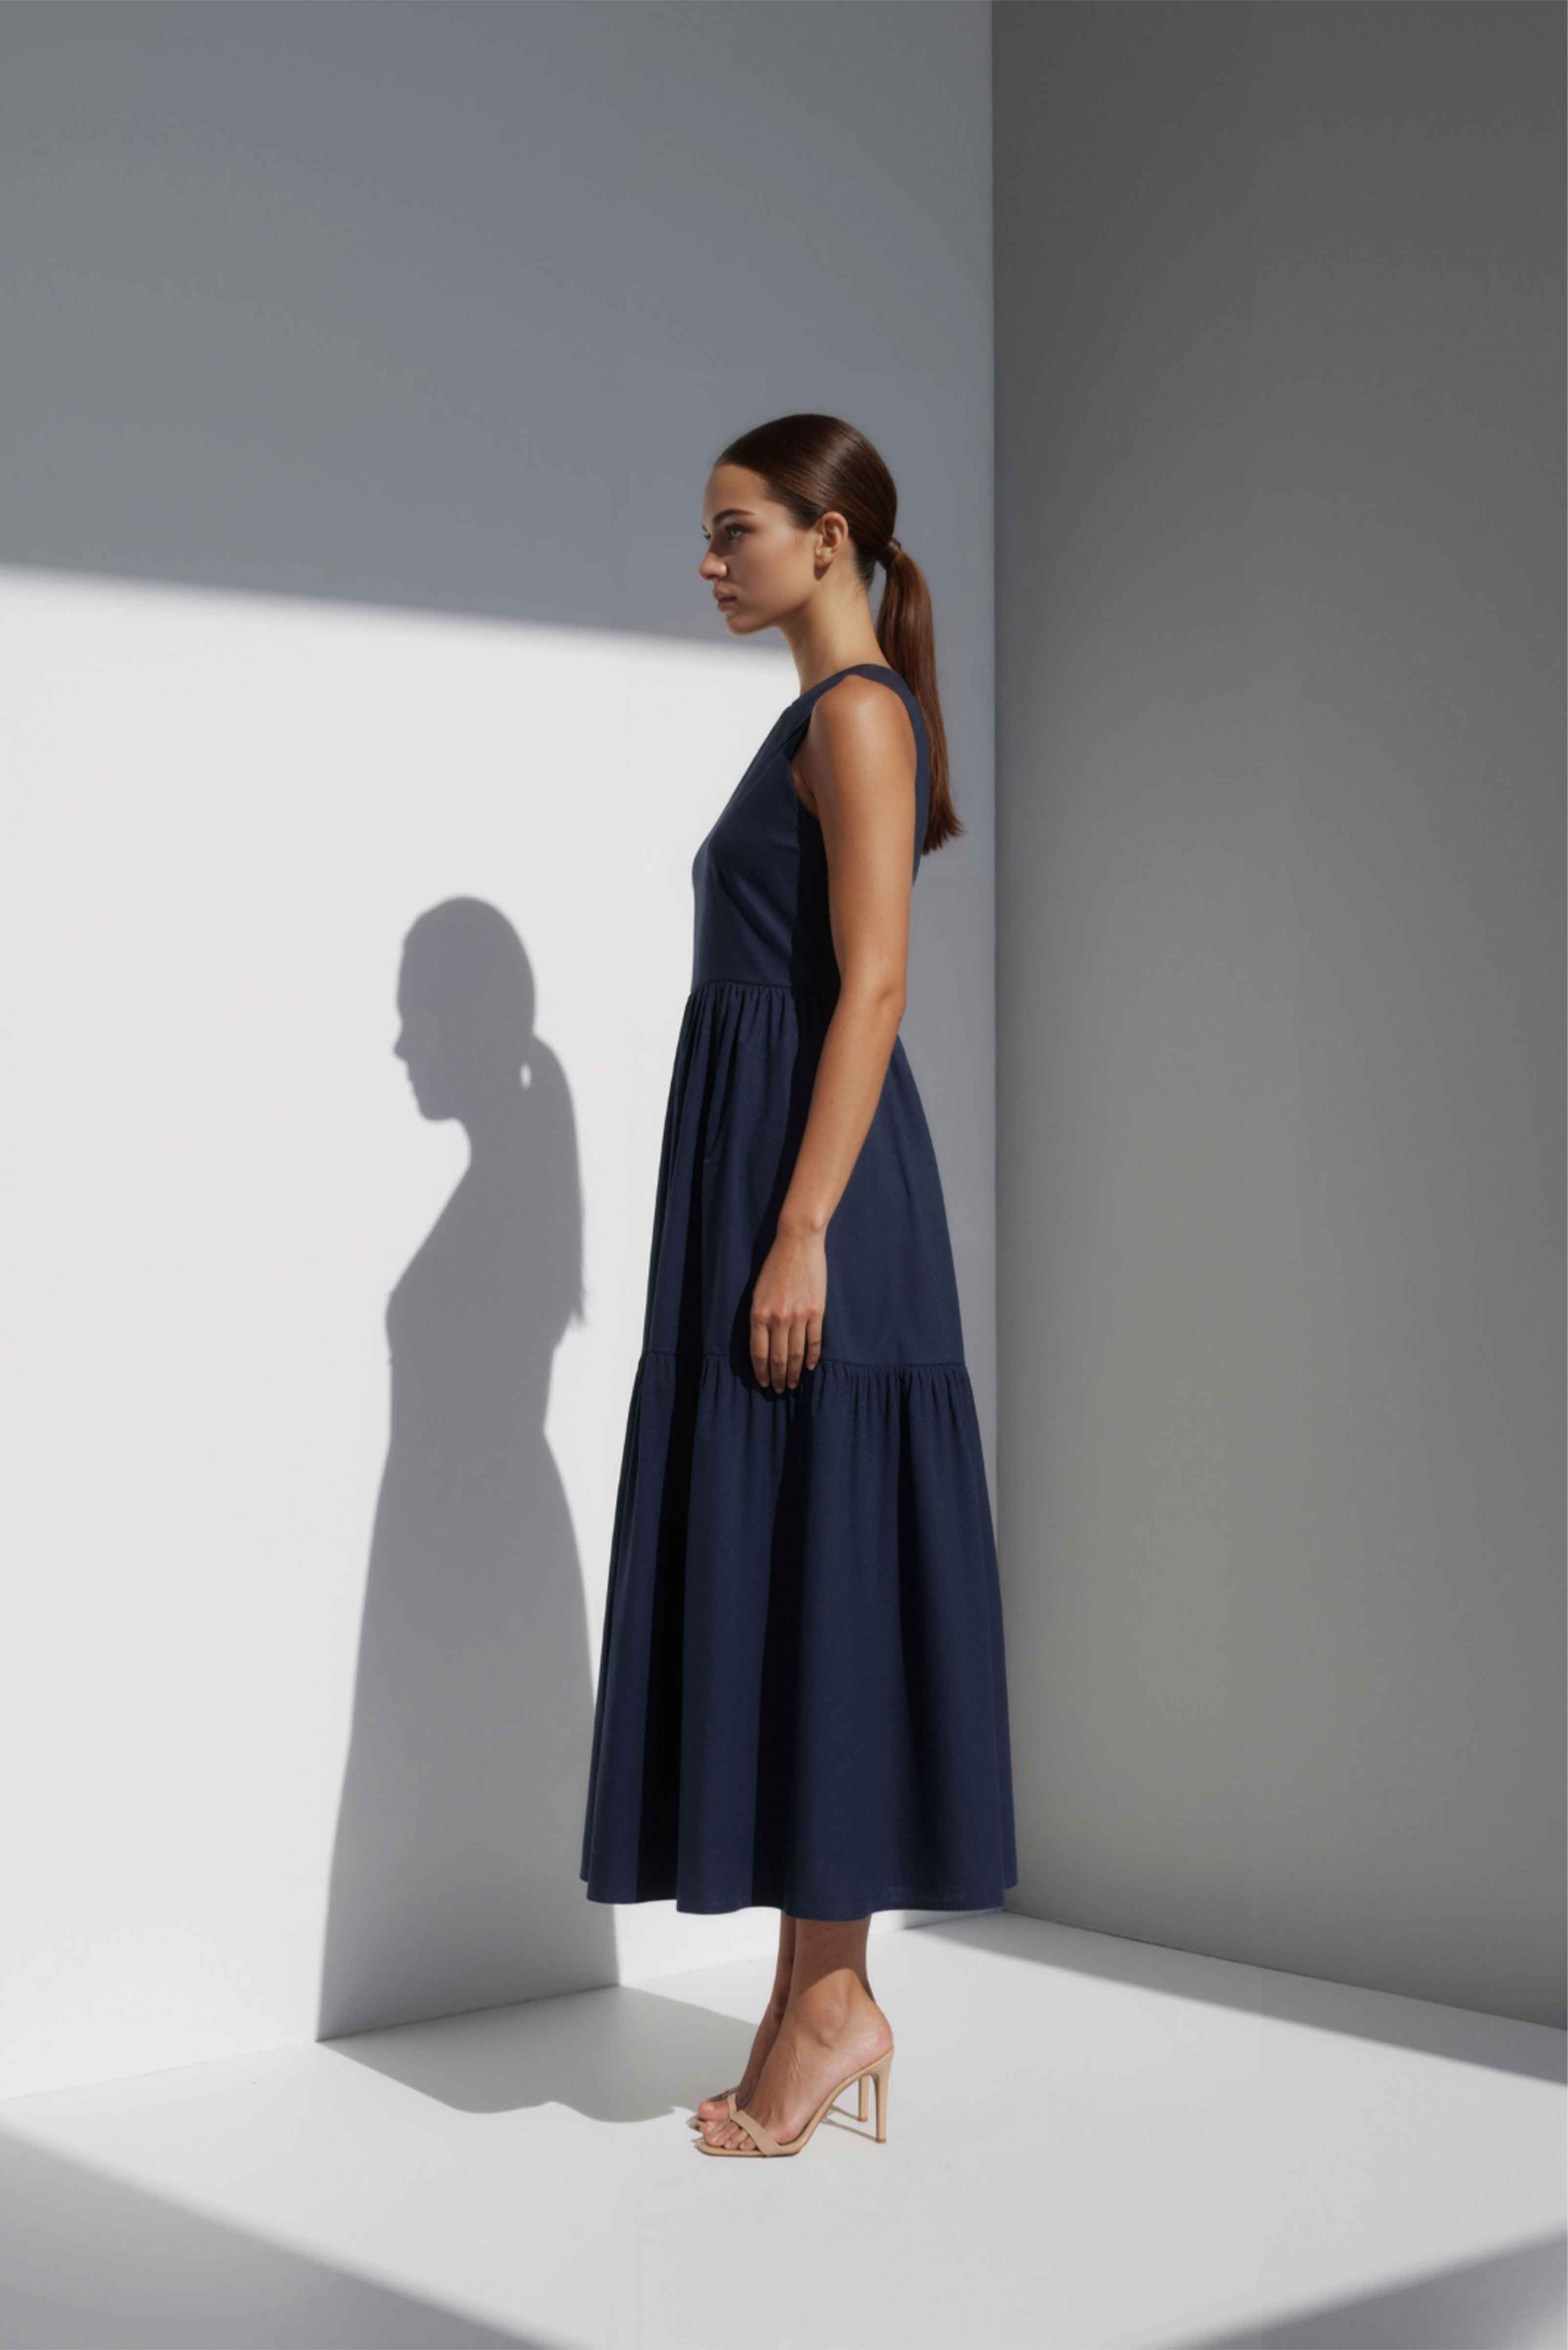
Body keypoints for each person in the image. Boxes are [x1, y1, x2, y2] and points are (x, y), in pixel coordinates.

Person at [579, 412, 1017, 2158]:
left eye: (737, 529)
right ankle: (806, 1998)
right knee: (789, 1561)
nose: (710, 562)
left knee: (825, 1563)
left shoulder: (856, 715)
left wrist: (804, 1225)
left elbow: (877, 985)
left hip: (817, 1195)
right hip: (765, 1178)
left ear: (830, 539)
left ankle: (836, 2006)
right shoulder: (817, 713)